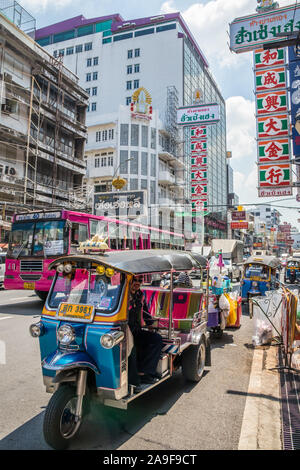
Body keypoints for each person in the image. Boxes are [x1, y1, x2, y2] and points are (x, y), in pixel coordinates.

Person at [128, 275, 163, 386]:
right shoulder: (123, 295)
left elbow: (145, 311)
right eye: (135, 280)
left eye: (140, 280)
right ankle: (133, 381)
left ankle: (145, 373)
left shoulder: (140, 295)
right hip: (125, 330)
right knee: (131, 346)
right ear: (129, 281)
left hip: (136, 330)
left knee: (156, 339)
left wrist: (151, 324)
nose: (137, 283)